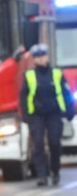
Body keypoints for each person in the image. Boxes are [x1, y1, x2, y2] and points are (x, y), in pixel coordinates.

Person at [20, 43, 75, 186]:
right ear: (34, 59)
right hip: (36, 115)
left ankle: (55, 171)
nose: (40, 59)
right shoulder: (29, 75)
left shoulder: (56, 73)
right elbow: (24, 96)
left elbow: (65, 92)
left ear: (47, 56)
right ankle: (42, 175)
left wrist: (70, 111)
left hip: (54, 113)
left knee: (55, 143)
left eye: (42, 56)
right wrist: (26, 115)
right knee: (38, 144)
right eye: (37, 57)